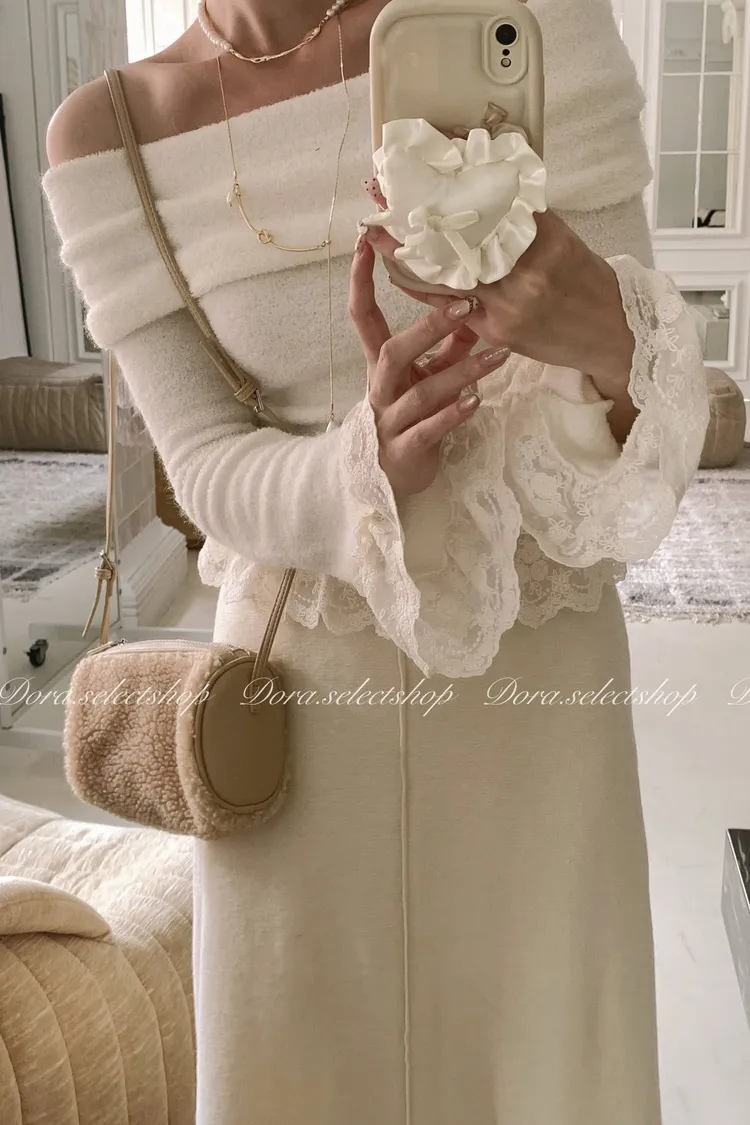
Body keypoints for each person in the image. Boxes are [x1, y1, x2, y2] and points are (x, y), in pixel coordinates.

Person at [43, 0, 708, 1122]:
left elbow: (655, 408)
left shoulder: (529, 23)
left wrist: (601, 327)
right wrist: (364, 468)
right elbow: (200, 465)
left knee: (547, 1063)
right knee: (303, 1069)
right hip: (293, 717)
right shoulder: (108, 132)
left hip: (535, 692)